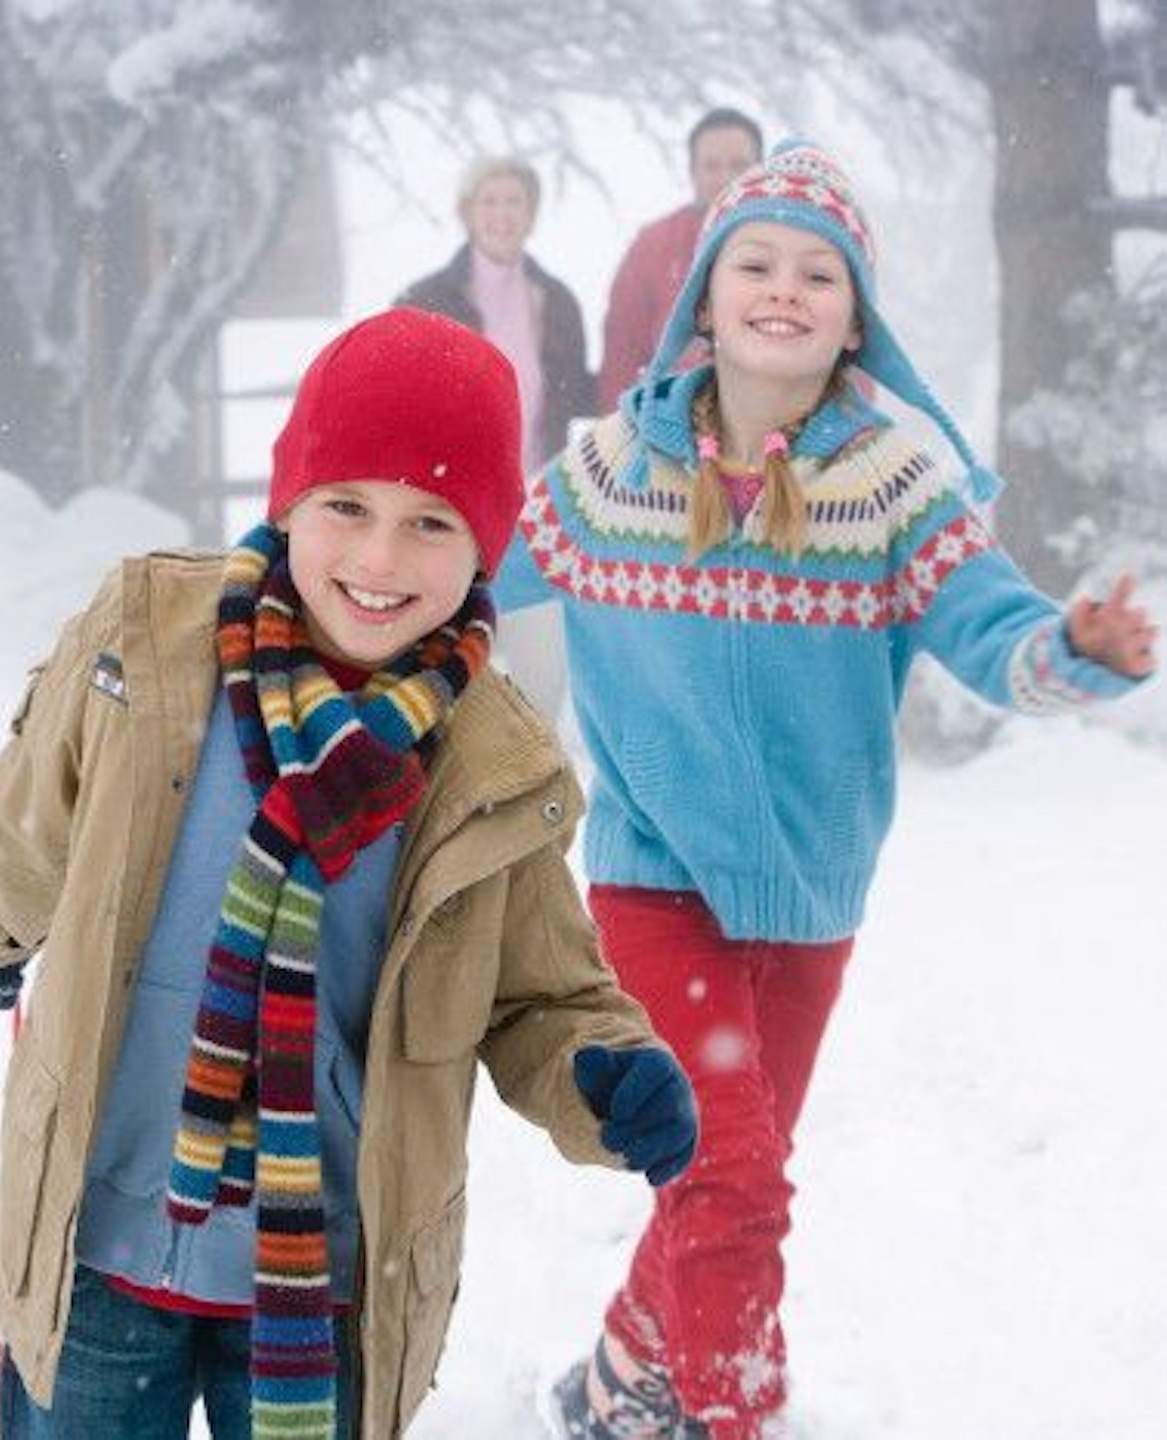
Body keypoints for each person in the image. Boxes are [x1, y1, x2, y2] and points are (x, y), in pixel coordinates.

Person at [0, 307, 699, 1440]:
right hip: (99, 1229)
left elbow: (542, 995)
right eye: (348, 506)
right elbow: (25, 823)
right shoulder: (146, 639)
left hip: (326, 1275)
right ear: (289, 501)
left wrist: (606, 1076)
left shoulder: (489, 761)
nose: (380, 561)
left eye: (431, 522)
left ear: (484, 546)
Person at [491, 142, 1159, 1440]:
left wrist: (1076, 654)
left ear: (856, 317)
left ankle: (621, 1380)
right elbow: (477, 569)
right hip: (652, 880)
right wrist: (334, 590)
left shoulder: (890, 482)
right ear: (705, 294)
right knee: (727, 1170)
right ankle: (735, 1416)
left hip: (807, 899)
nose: (783, 288)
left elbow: (993, 632)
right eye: (755, 262)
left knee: (724, 1178)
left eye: (818, 271)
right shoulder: (616, 469)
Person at [396, 155, 595, 723]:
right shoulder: (425, 299)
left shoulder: (557, 302)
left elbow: (575, 399)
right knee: (446, 677)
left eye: (514, 202)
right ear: (466, 212)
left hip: (533, 512)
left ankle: (531, 780)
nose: (502, 215)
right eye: (490, 201)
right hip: (452, 510)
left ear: (531, 213)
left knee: (538, 683)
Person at [597, 107, 763, 412]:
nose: (725, 178)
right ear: (693, 173)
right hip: (673, 435)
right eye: (711, 166)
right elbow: (621, 356)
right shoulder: (652, 247)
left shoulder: (800, 244)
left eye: (738, 165)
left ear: (762, 170)